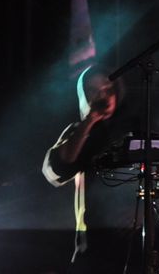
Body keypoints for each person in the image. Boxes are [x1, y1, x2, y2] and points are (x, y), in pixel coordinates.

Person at [42, 65, 140, 271]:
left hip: (137, 242)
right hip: (95, 245)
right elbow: (56, 171)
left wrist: (140, 212)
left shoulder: (138, 128)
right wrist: (89, 121)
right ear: (84, 95)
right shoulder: (78, 132)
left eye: (108, 89)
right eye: (94, 90)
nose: (103, 95)